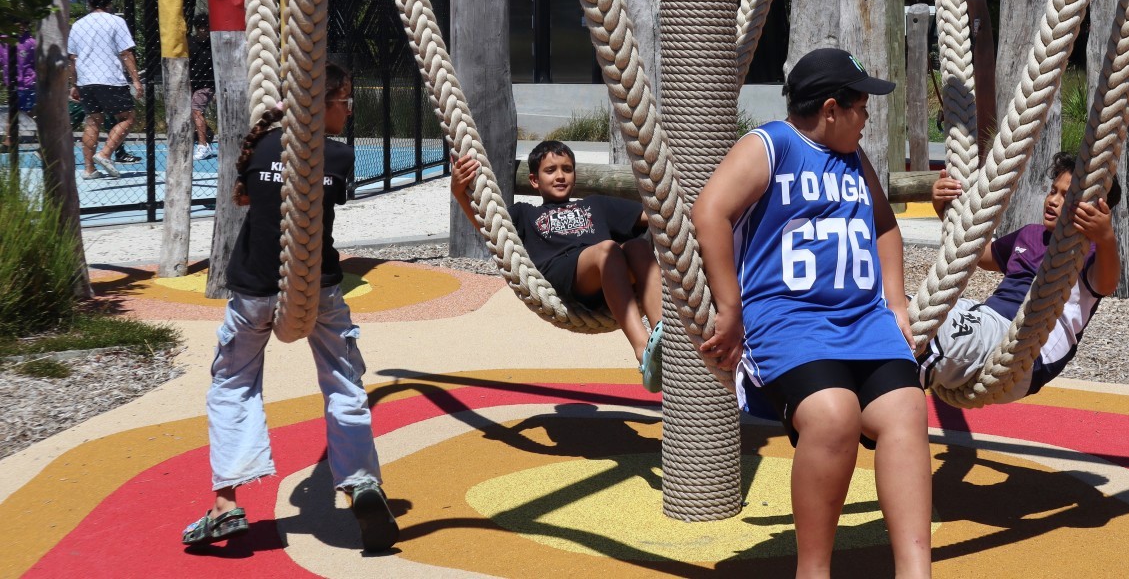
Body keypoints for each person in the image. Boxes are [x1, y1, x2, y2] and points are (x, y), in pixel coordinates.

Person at [694, 47, 931, 579]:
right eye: (861, 106)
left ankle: (916, 573)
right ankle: (813, 572)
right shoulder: (770, 146)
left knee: (907, 412)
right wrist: (729, 308)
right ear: (831, 109)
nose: (868, 116)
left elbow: (886, 226)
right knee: (833, 415)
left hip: (865, 322)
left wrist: (896, 301)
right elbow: (709, 210)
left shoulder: (855, 161)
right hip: (789, 320)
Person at [181, 63, 399, 553]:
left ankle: (225, 504)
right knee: (344, 382)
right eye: (345, 100)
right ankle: (361, 481)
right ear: (322, 104)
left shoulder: (260, 145)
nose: (349, 109)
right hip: (317, 288)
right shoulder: (340, 156)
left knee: (233, 383)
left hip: (255, 290)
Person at [450, 139, 666, 391]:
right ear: (534, 180)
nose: (560, 176)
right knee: (607, 250)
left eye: (567, 169)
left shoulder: (595, 205)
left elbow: (654, 216)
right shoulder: (524, 214)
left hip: (613, 278)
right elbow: (488, 226)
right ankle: (643, 350)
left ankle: (665, 339)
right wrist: (459, 191)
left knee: (639, 247)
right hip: (569, 276)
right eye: (550, 170)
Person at [918, 152, 1120, 401]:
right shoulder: (1031, 235)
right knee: (905, 311)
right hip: (987, 320)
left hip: (1027, 350)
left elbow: (1107, 283)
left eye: (1066, 196)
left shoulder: (1088, 253)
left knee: (922, 340)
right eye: (1052, 191)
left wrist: (1105, 238)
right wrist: (945, 211)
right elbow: (979, 253)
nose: (1053, 201)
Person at [68, 0, 143, 179]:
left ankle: (89, 168)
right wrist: (136, 80)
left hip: (86, 79)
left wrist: (74, 84)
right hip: (109, 78)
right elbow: (126, 52)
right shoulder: (115, 22)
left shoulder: (78, 24)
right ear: (110, 2)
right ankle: (105, 153)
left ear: (89, 1)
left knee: (93, 121)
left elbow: (73, 58)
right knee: (127, 117)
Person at [0, 29, 36, 151]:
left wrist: (33, 77)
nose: (20, 27)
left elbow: (36, 63)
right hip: (11, 83)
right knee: (20, 112)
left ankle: (8, 140)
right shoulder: (3, 41)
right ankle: (9, 140)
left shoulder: (31, 42)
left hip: (27, 84)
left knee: (23, 112)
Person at [188, 15, 217, 160]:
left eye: (207, 28)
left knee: (196, 111)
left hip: (207, 85)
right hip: (192, 84)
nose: (205, 32)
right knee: (194, 113)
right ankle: (207, 136)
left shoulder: (213, 44)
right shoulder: (190, 43)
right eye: (202, 29)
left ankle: (202, 144)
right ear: (197, 29)